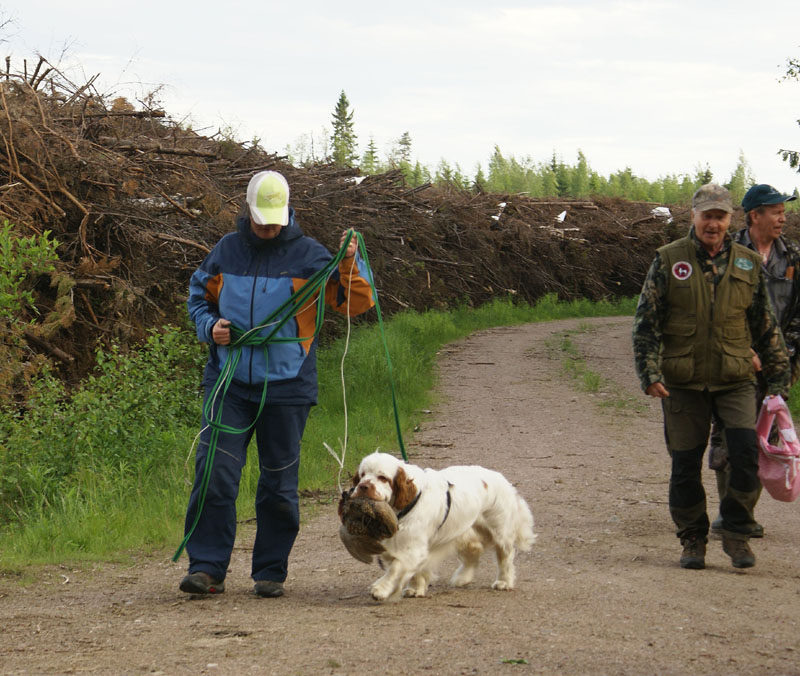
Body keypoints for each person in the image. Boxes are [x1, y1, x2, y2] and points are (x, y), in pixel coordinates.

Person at [178, 170, 375, 597]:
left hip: (287, 387)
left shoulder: (311, 256)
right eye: (261, 219)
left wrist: (349, 263)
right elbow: (198, 298)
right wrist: (210, 327)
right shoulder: (225, 251)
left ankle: (269, 572)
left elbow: (356, 304)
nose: (268, 227)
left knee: (279, 484)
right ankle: (207, 568)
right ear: (248, 210)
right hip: (229, 381)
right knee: (214, 474)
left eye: (275, 220)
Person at [632, 183, 790, 570]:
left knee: (745, 456)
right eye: (707, 216)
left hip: (735, 377)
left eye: (720, 217)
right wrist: (649, 371)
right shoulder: (669, 259)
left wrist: (778, 378)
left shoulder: (747, 263)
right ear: (694, 216)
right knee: (684, 465)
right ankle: (692, 539)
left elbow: (766, 325)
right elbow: (646, 323)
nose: (713, 224)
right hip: (683, 380)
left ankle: (736, 532)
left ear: (730, 219)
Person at [708, 184, 800, 537]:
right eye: (775, 212)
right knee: (729, 435)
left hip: (778, 363)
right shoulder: (726, 251)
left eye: (783, 212)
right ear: (754, 216)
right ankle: (729, 512)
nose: (782, 218)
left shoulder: (792, 257)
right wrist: (743, 350)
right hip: (732, 359)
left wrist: (785, 355)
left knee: (765, 439)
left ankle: (743, 512)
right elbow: (712, 304)